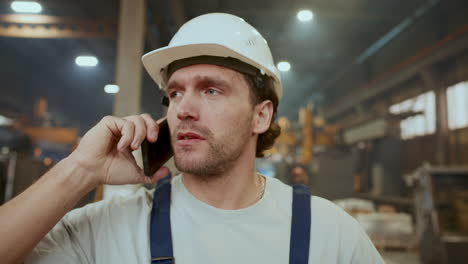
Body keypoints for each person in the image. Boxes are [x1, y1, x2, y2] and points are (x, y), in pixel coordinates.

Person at [0, 13, 384, 264]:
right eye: (175, 93)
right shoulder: (109, 229)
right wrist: (80, 170)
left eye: (211, 90)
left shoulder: (330, 235)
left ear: (261, 115)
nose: (183, 109)